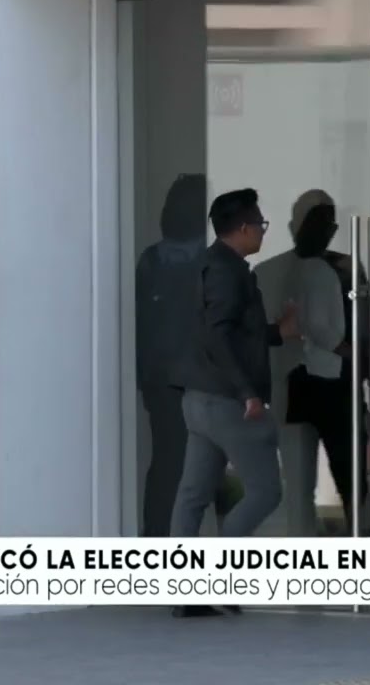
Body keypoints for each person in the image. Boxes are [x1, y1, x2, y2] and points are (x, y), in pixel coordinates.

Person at [169, 187, 297, 618]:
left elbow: (230, 331)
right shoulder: (227, 272)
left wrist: (277, 332)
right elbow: (218, 335)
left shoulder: (208, 266)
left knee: (193, 496)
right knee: (266, 491)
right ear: (243, 228)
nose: (262, 231)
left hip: (200, 399)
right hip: (228, 402)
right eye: (260, 224)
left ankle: (185, 592)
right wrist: (248, 393)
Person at [134, 174, 234, 538]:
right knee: (186, 466)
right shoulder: (203, 260)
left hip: (175, 380)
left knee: (175, 466)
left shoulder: (157, 261)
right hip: (184, 381)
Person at [282, 192, 370, 533]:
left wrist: (366, 367)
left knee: (346, 472)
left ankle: (355, 535)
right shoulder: (299, 269)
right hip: (316, 379)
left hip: (333, 381)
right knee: (308, 477)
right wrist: (349, 353)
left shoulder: (346, 268)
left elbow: (364, 324)